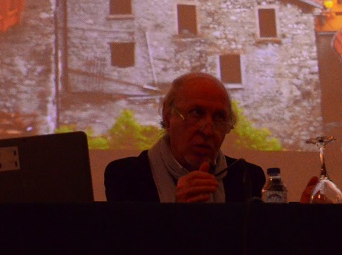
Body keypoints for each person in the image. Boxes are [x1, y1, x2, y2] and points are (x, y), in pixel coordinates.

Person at [104, 72, 265, 202]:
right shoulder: (126, 176)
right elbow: (127, 241)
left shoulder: (247, 177)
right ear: (168, 117)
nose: (207, 131)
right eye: (196, 113)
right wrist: (178, 212)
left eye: (219, 117)